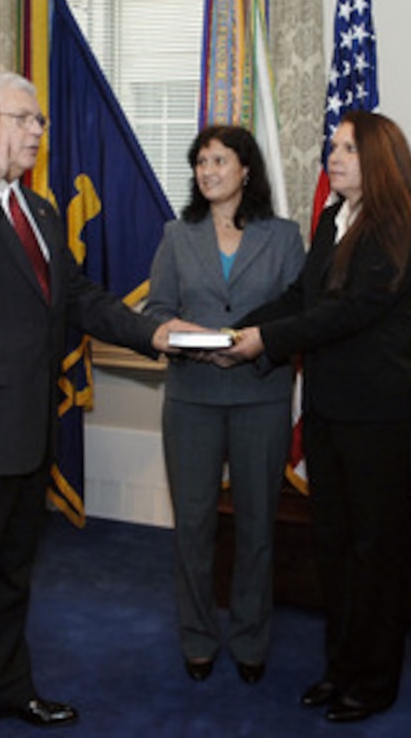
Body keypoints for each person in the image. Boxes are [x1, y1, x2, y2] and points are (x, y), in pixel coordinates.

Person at [0, 70, 188, 738]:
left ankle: (6, 689)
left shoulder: (42, 209)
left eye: (38, 121)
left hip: (26, 432)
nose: (37, 131)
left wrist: (153, 331)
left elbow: (77, 298)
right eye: (24, 118)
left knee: (7, 581)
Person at [213, 110, 411, 723]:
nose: (331, 158)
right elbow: (304, 298)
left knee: (377, 552)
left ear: (379, 160)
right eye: (331, 148)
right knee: (334, 546)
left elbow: (347, 312)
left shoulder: (399, 226)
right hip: (332, 412)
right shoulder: (336, 218)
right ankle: (340, 668)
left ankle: (374, 680)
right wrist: (243, 327)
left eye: (347, 150)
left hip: (381, 417)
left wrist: (266, 340)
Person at [144, 125, 304, 685]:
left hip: (261, 394)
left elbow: (293, 316)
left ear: (245, 170)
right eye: (200, 162)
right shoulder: (176, 234)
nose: (208, 171)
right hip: (193, 397)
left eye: (219, 160)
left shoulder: (283, 237)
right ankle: (197, 638)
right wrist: (182, 331)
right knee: (193, 526)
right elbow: (156, 309)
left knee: (258, 525)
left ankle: (250, 638)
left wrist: (251, 346)